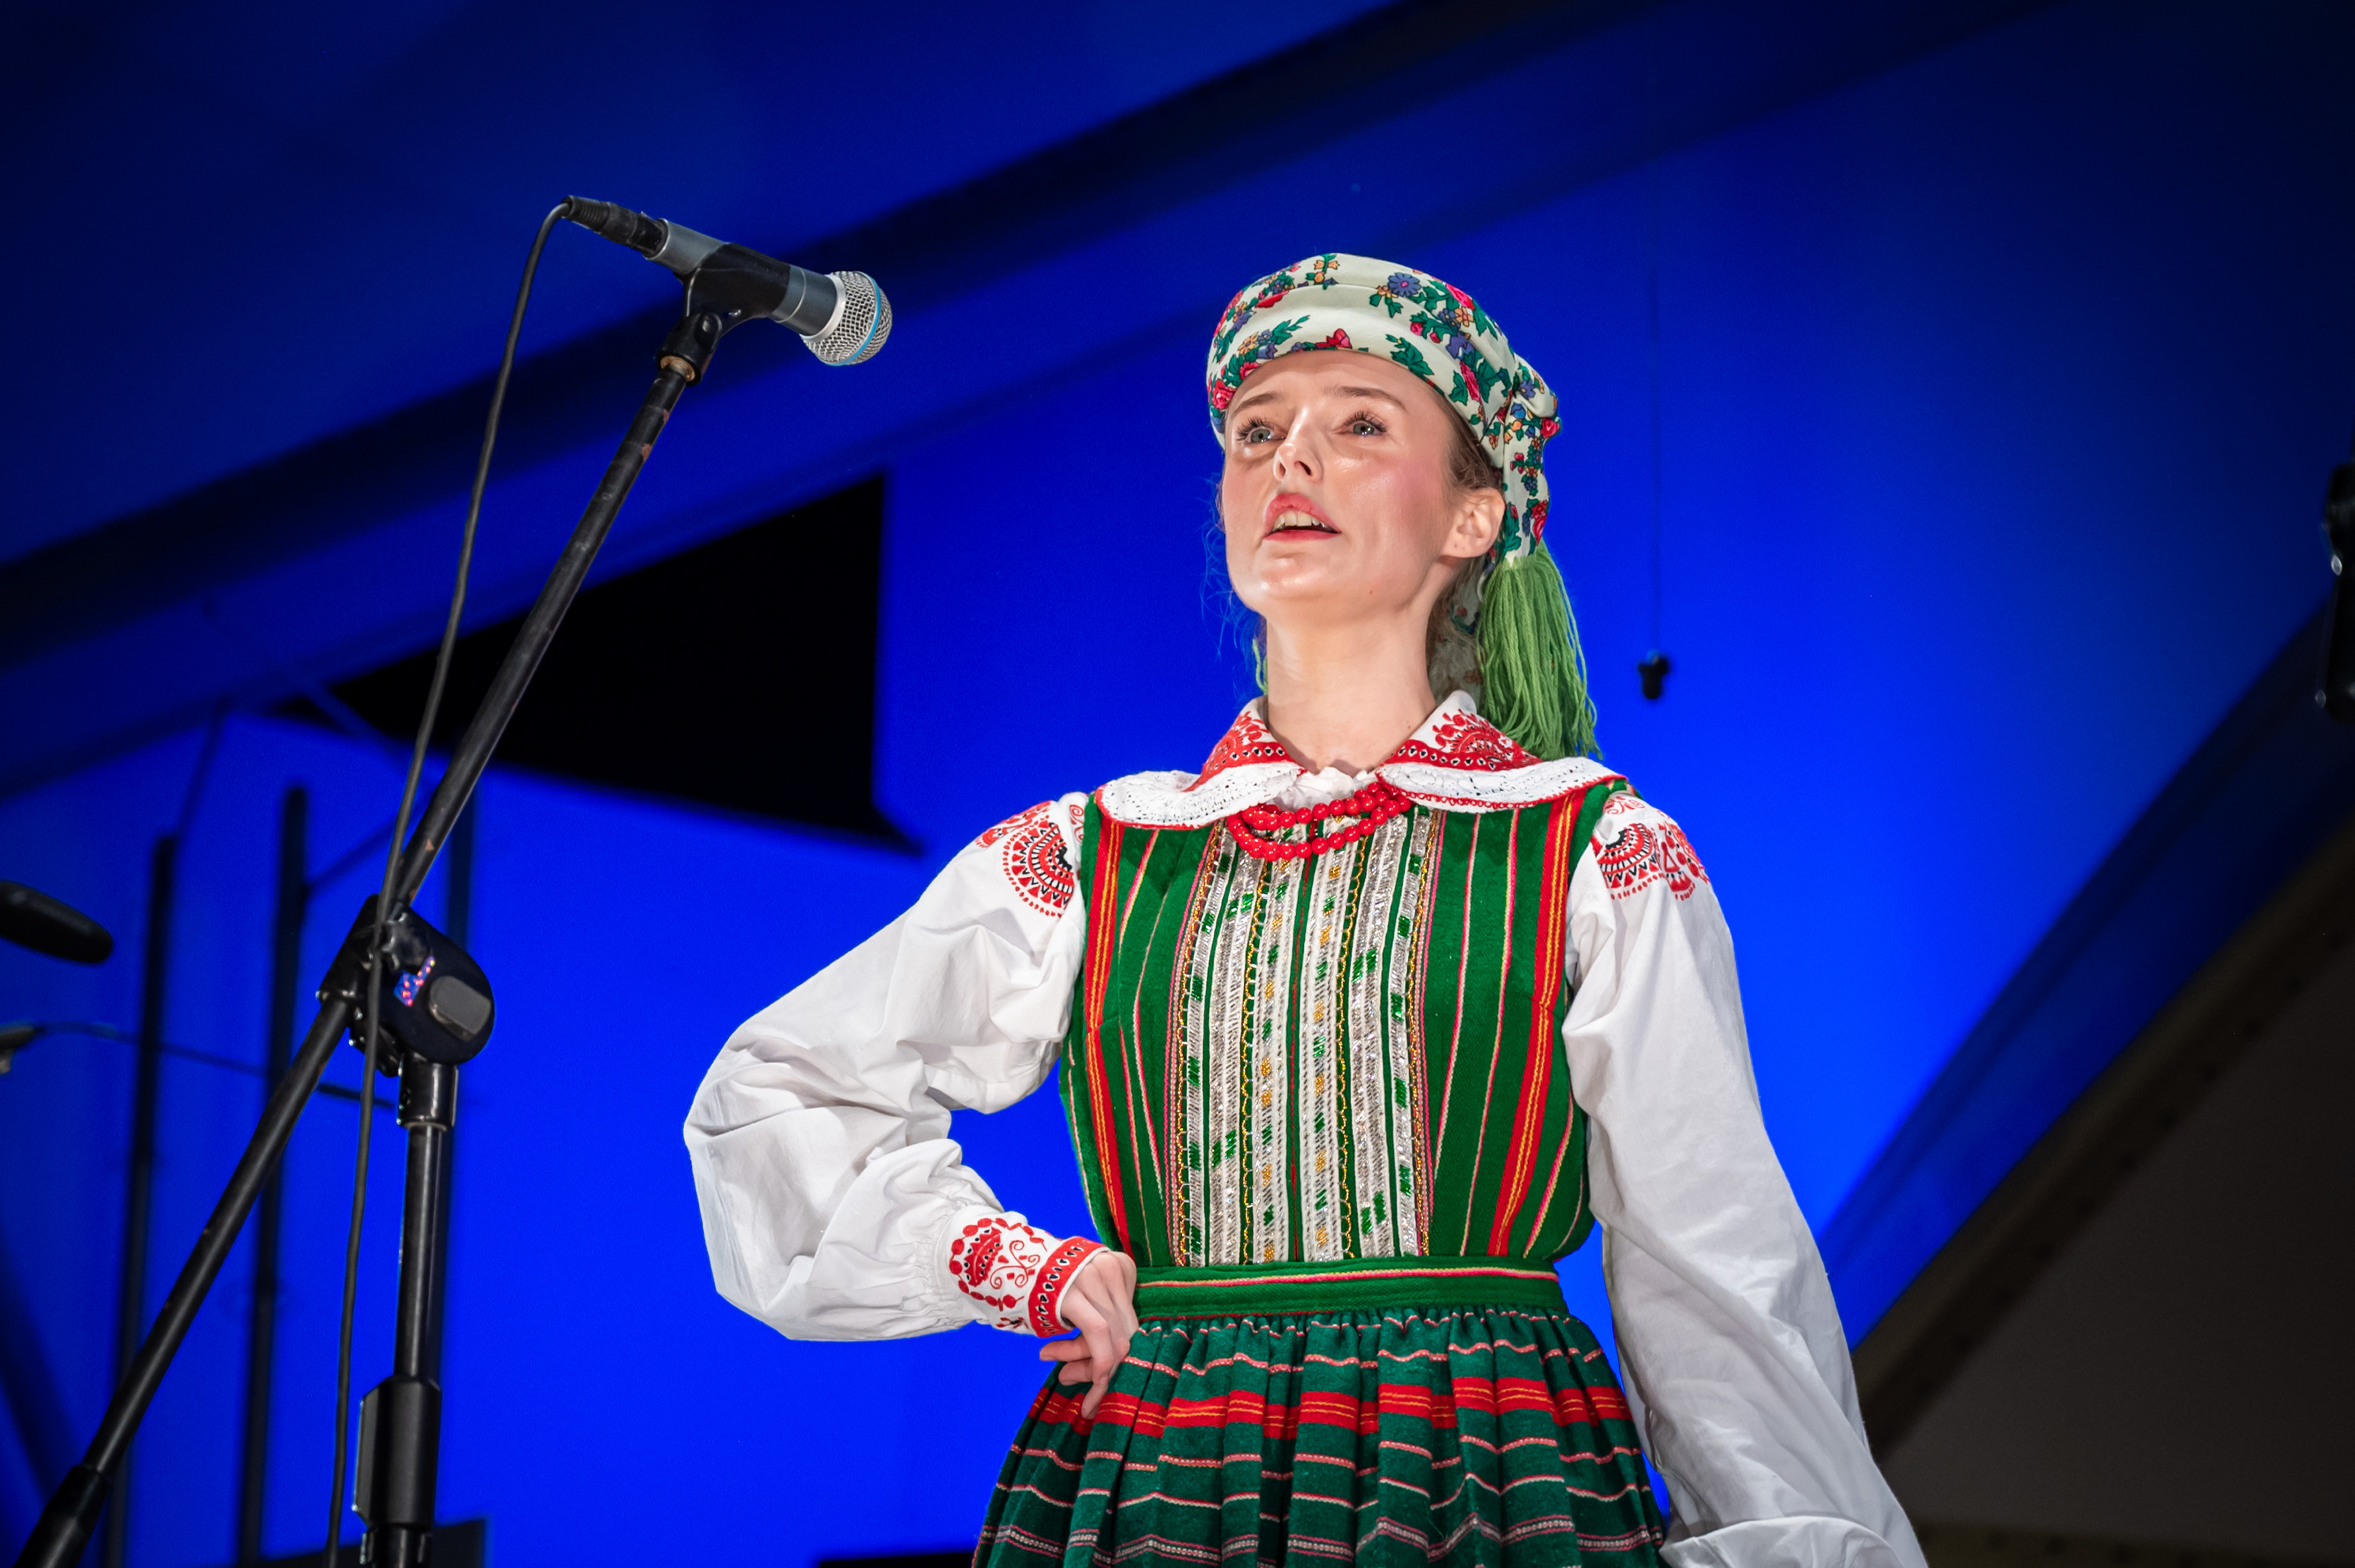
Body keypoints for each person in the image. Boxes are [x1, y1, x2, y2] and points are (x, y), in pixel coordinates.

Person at [685, 254, 1923, 1568]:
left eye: (1361, 425)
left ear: (1473, 517)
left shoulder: (1587, 851)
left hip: (1474, 1470)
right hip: (1167, 1472)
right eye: (1256, 433)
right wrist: (1016, 1263)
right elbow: (780, 1091)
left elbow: (1710, 1257)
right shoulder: (1100, 852)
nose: (1292, 459)